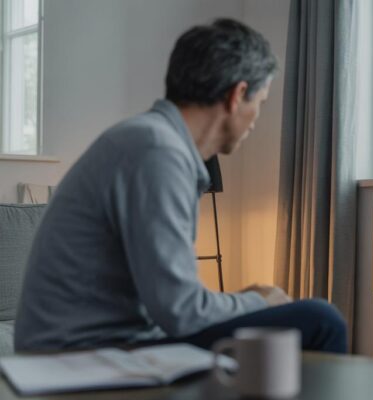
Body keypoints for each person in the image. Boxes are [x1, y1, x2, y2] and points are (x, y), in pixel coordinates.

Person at [15, 19, 347, 353]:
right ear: (238, 95)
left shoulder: (150, 142)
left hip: (100, 343)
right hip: (78, 355)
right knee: (321, 320)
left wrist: (243, 303)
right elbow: (182, 311)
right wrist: (258, 301)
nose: (257, 119)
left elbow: (171, 303)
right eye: (260, 103)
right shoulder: (156, 151)